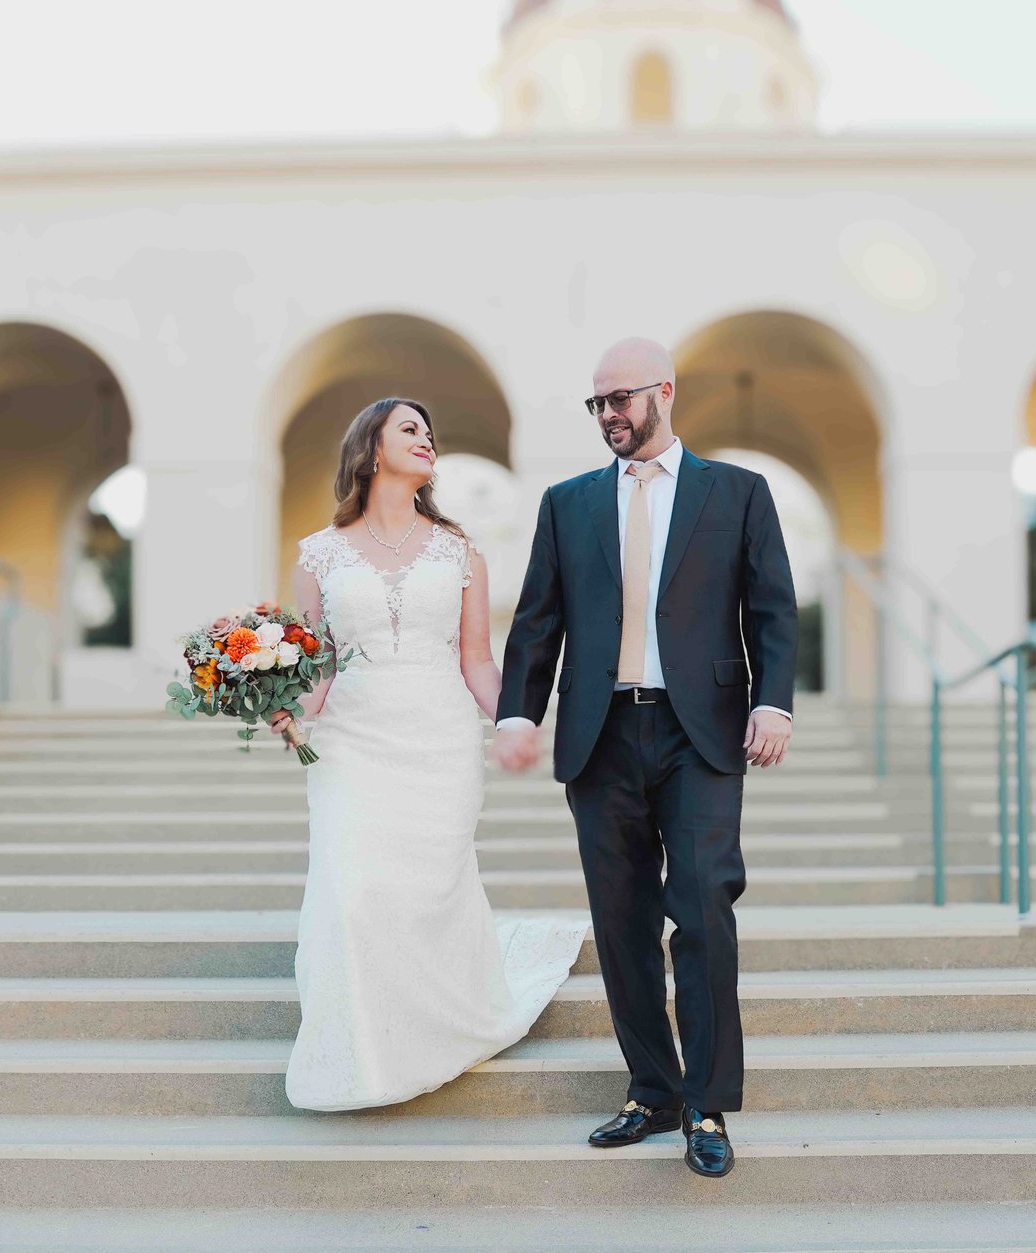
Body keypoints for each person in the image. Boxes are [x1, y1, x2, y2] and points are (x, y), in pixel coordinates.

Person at [494, 337, 798, 1178]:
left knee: (702, 912)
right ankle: (652, 1090)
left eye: (620, 398)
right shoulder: (567, 503)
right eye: (596, 404)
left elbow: (773, 608)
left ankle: (707, 1104)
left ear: (664, 390)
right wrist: (519, 712)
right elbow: (537, 620)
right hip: (599, 734)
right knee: (621, 923)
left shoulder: (737, 493)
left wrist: (773, 701)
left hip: (701, 733)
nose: (608, 416)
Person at [272, 396, 584, 1110]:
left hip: (440, 739)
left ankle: (433, 1022)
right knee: (353, 893)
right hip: (354, 740)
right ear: (371, 448)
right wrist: (287, 713)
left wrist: (515, 719)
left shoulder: (458, 550)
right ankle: (362, 1049)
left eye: (430, 432)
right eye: (409, 429)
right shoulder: (318, 555)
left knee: (425, 888)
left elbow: (476, 658)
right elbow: (317, 669)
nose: (427, 439)